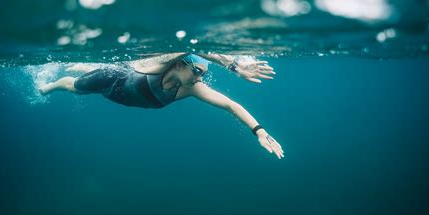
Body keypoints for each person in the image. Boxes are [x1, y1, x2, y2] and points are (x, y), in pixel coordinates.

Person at [38, 52, 284, 159]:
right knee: (74, 88)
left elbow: (232, 105)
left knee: (94, 75)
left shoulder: (191, 88)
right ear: (179, 64)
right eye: (197, 71)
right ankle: (48, 86)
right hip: (112, 81)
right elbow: (194, 47)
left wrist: (260, 132)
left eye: (203, 74)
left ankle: (85, 66)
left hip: (124, 94)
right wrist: (234, 65)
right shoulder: (160, 64)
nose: (200, 78)